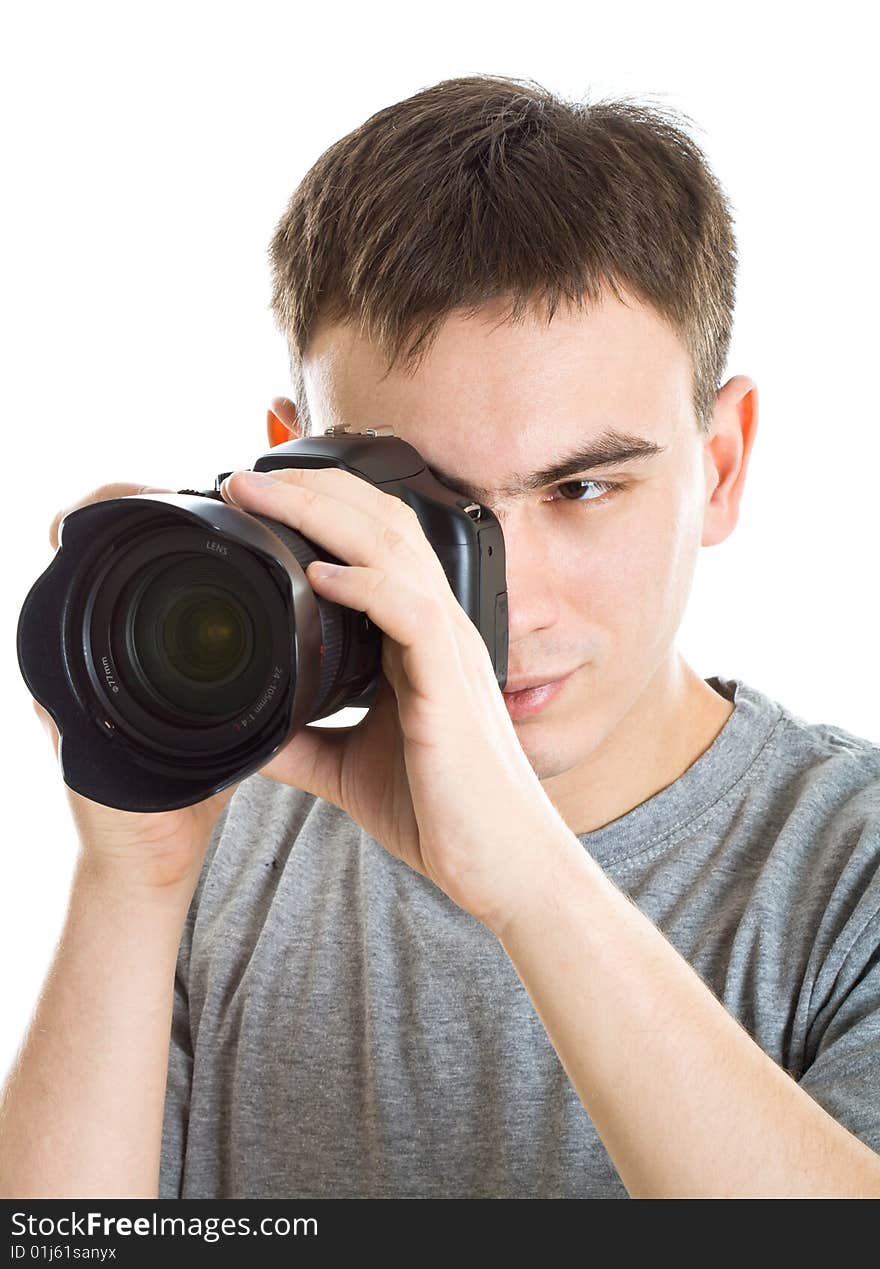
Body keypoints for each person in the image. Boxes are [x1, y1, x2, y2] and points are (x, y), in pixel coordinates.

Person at [2, 74, 879, 1201]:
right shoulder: (229, 825)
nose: (505, 605)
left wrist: (528, 881)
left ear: (719, 463)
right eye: (429, 516)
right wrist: (133, 883)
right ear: (292, 471)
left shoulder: (846, 867)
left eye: (581, 489)